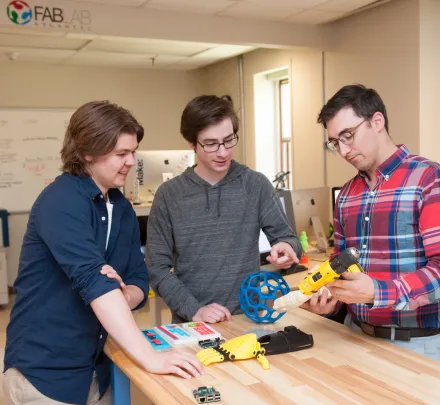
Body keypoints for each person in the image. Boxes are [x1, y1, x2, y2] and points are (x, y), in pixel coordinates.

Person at [3, 101, 203, 405]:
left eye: (133, 152)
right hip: (45, 370)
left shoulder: (121, 209)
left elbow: (138, 278)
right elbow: (94, 283)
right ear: (88, 153)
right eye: (121, 154)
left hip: (97, 363)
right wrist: (150, 358)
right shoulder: (61, 200)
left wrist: (123, 295)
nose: (131, 161)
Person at [304, 84, 440, 359]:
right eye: (334, 142)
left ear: (377, 121)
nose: (343, 150)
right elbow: (339, 267)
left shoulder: (428, 180)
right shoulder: (346, 195)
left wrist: (379, 292)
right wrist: (329, 300)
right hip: (353, 337)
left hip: (418, 347)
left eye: (348, 136)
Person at [146, 95, 302, 324]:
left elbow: (288, 238)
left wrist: (287, 248)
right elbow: (156, 268)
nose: (223, 152)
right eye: (210, 144)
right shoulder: (169, 195)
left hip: (247, 319)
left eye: (229, 140)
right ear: (190, 142)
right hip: (192, 324)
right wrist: (195, 310)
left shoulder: (255, 185)